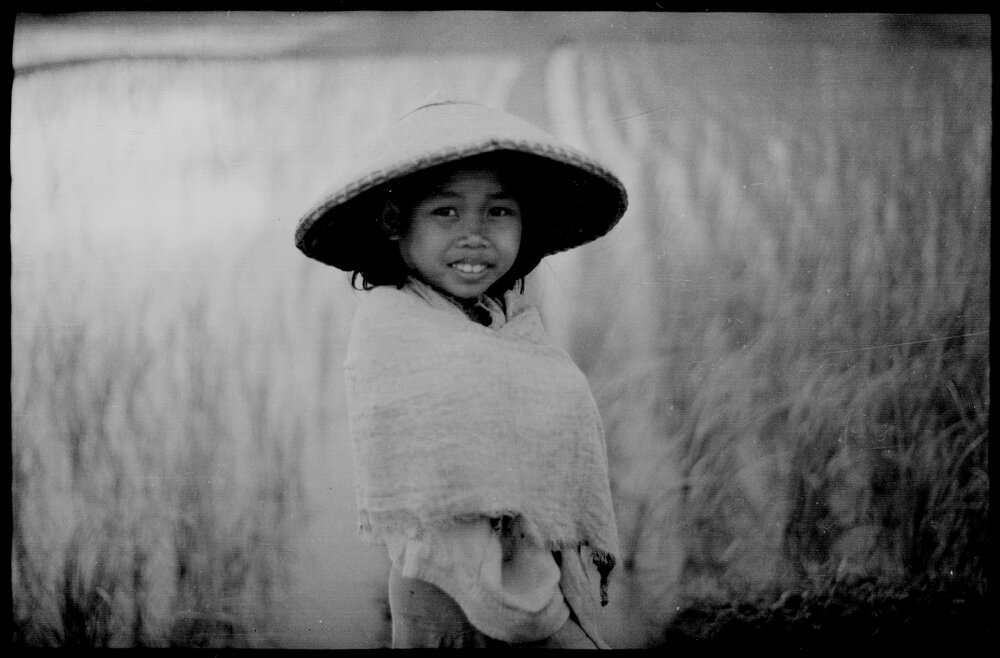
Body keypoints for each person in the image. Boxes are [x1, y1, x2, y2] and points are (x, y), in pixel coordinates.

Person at [295, 101, 627, 648]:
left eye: (499, 212)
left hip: (523, 569)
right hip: (456, 590)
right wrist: (545, 621)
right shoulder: (396, 329)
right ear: (395, 223)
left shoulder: (505, 322)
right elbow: (445, 509)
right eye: (446, 212)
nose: (474, 235)